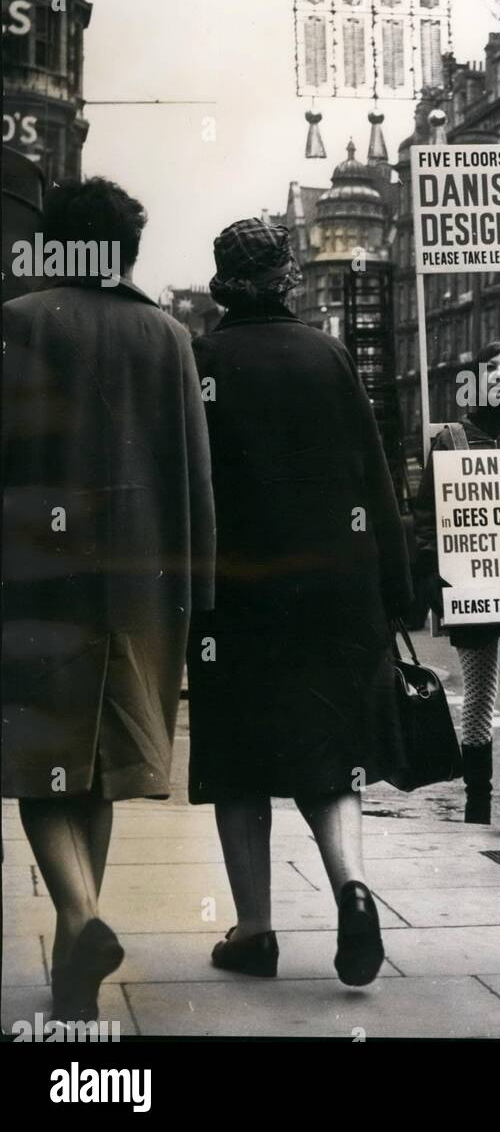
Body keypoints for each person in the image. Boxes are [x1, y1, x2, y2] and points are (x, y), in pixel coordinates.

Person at [2, 177, 215, 1022]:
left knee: (36, 768)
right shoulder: (169, 336)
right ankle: (72, 972)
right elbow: (195, 478)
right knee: (94, 770)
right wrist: (198, 596)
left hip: (30, 580)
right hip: (143, 587)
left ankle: (82, 919)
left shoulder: (14, 324)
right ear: (126, 250)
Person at [187, 219, 412, 987]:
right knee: (329, 755)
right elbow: (374, 475)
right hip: (335, 591)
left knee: (237, 760)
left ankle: (255, 933)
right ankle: (351, 888)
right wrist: (397, 588)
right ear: (289, 278)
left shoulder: (203, 360)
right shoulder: (330, 354)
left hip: (235, 595)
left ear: (224, 283)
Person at [414, 341, 500, 834]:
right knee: (477, 693)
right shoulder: (448, 441)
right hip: (468, 589)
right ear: (471, 379)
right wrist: (430, 573)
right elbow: (427, 516)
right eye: (489, 367)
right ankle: (477, 799)